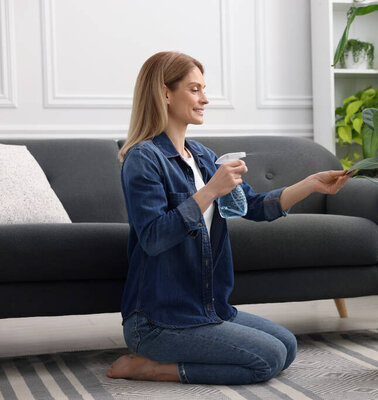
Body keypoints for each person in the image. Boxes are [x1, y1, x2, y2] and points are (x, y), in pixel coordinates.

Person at [106, 51, 351, 385]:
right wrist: (210, 191)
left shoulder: (203, 157)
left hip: (207, 310)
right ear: (165, 93)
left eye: (203, 89)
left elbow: (254, 206)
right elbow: (153, 237)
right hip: (159, 321)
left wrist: (310, 185)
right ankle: (150, 367)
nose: (205, 98)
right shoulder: (143, 159)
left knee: (287, 346)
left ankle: (170, 356)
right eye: (194, 89)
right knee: (267, 359)